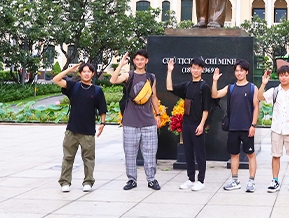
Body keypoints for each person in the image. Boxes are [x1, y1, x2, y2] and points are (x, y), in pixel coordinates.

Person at [110, 50, 161, 191]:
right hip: (130, 122)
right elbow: (113, 80)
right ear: (134, 61)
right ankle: (131, 180)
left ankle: (151, 180)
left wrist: (158, 114)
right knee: (130, 153)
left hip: (148, 122)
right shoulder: (129, 75)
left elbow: (153, 97)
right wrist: (121, 65)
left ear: (146, 61)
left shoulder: (151, 77)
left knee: (150, 153)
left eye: (142, 59)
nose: (139, 62)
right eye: (137, 59)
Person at [52, 62, 106, 193]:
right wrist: (69, 70)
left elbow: (102, 109)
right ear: (80, 73)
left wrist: (102, 124)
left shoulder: (97, 90)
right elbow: (56, 80)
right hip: (72, 130)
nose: (86, 73)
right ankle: (65, 181)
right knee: (68, 157)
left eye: (89, 71)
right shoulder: (73, 87)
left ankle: (88, 181)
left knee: (88, 158)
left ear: (93, 74)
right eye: (84, 71)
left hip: (88, 131)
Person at [212, 59, 261, 193]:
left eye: (241, 70)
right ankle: (235, 180)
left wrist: (253, 125)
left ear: (246, 72)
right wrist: (215, 80)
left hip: (247, 128)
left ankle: (251, 181)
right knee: (234, 154)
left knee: (250, 154)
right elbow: (215, 94)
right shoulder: (231, 88)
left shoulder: (252, 88)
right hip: (233, 127)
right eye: (237, 70)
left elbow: (256, 107)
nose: (239, 73)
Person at [257, 65, 289, 193]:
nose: (283, 78)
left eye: (286, 75)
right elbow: (259, 97)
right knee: (276, 155)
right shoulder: (274, 91)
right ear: (278, 77)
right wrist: (263, 84)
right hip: (277, 129)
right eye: (281, 75)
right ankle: (275, 180)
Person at [166, 57, 212, 191]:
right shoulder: (187, 85)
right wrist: (170, 71)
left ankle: (201, 180)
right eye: (193, 67)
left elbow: (206, 108)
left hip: (198, 124)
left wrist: (202, 124)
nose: (196, 70)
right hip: (186, 124)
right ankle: (191, 179)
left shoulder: (205, 87)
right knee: (188, 153)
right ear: (190, 69)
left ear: (202, 69)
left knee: (200, 153)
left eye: (198, 68)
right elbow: (169, 87)